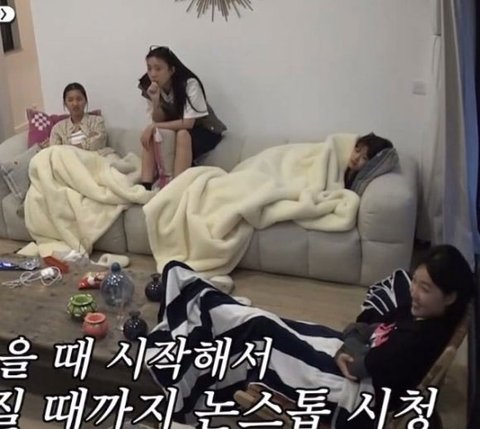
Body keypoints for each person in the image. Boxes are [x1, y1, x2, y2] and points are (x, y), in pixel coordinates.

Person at [145, 244, 473, 428]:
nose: (414, 292)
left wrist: (354, 347)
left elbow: (358, 363)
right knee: (263, 324)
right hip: (351, 363)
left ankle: (196, 310)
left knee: (259, 333)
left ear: (450, 296)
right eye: (415, 282)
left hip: (351, 391)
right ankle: (201, 307)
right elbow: (366, 331)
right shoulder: (423, 315)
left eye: (425, 287)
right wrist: (356, 343)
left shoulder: (416, 340)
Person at [137, 46, 226, 190]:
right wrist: (155, 101)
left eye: (158, 69)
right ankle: (145, 186)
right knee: (152, 133)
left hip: (204, 130)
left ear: (171, 70)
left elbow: (189, 123)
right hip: (177, 129)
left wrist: (154, 126)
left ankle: (177, 188)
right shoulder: (149, 85)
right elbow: (158, 120)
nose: (152, 74)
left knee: (182, 134)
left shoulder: (189, 84)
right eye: (149, 68)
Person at [48, 82, 107, 151]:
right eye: (70, 100)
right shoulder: (58, 128)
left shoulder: (97, 121)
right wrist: (88, 141)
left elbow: (98, 143)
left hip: (95, 156)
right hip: (68, 158)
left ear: (85, 101)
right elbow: (55, 151)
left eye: (79, 99)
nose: (75, 104)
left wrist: (67, 148)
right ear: (65, 104)